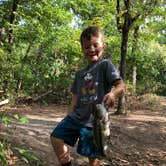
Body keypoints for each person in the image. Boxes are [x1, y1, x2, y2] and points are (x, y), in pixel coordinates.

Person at [50, 26, 125, 166]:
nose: (91, 49)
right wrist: (68, 116)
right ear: (82, 49)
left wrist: (113, 94)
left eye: (95, 45)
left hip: (94, 122)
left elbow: (121, 85)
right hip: (75, 117)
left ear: (103, 45)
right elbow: (75, 98)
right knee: (56, 137)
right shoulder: (79, 74)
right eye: (86, 47)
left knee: (92, 156)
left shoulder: (105, 65)